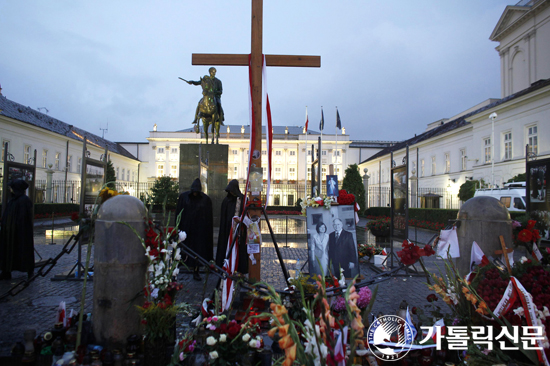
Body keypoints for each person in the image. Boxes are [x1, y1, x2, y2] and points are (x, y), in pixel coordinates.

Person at [176, 178, 213, 281]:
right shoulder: (184, 197)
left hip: (199, 231)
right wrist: (178, 228)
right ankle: (178, 268)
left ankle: (196, 270)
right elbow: (179, 213)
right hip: (186, 229)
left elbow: (208, 218)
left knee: (197, 252)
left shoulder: (205, 200)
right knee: (184, 250)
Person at [0, 179, 35, 280]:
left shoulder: (24, 200)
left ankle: (28, 270)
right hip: (10, 231)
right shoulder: (13, 200)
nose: (10, 190)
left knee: (23, 250)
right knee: (8, 250)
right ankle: (6, 271)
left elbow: (24, 218)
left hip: (20, 232)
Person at [216, 179, 248, 274]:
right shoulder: (226, 201)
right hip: (228, 230)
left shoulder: (242, 199)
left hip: (239, 230)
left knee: (240, 249)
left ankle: (240, 269)